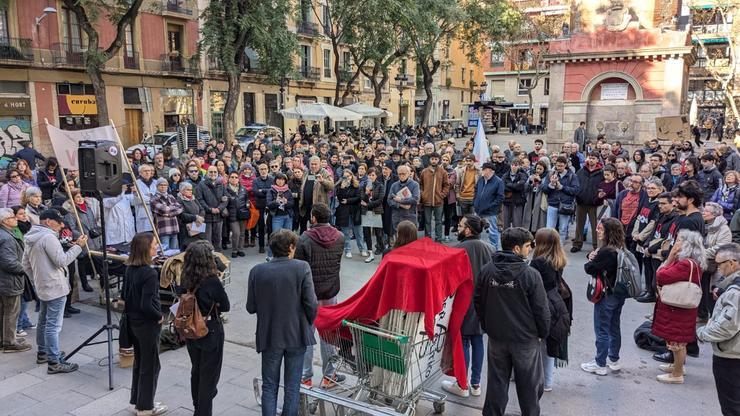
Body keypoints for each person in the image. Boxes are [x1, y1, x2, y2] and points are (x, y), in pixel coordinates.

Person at [476, 227, 550, 416]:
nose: (530, 249)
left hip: (497, 337)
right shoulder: (530, 275)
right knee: (529, 387)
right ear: (516, 249)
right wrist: (542, 333)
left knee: (496, 384)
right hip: (525, 340)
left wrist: (488, 326)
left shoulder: (487, 270)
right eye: (528, 246)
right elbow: (541, 310)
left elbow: (479, 302)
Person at [248, 229, 317, 416]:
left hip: (270, 335)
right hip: (297, 333)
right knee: (292, 386)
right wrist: (308, 323)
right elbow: (311, 303)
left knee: (269, 386)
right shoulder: (302, 268)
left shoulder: (257, 271)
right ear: (291, 247)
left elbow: (250, 307)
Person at [22, 209, 86, 373]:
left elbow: (25, 264)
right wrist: (78, 246)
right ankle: (54, 361)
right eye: (58, 222)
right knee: (53, 325)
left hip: (43, 286)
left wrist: (37, 280)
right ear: (48, 222)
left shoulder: (31, 236)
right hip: (55, 287)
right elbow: (62, 260)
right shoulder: (48, 237)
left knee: (44, 320)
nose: (61, 225)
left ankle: (44, 353)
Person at [441, 215, 495, 398]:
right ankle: (475, 384)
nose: (458, 228)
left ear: (469, 230)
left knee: (463, 341)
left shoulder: (459, 249)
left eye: (461, 225)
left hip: (463, 304)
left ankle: (461, 384)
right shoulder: (490, 248)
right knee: (478, 340)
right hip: (484, 304)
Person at [294, 203, 345, 388]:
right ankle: (329, 375)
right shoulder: (340, 237)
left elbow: (298, 268)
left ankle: (305, 377)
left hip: (309, 294)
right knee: (328, 334)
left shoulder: (305, 238)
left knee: (307, 336)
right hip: (330, 292)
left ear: (313, 218)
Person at [182, 241, 230, 416]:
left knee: (197, 369)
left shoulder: (185, 276)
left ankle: (198, 406)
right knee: (209, 376)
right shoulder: (211, 281)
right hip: (210, 330)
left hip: (191, 330)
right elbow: (225, 305)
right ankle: (203, 410)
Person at [651, 229, 705, 384]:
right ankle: (677, 366)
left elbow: (661, 275)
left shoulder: (686, 264)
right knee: (678, 341)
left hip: (678, 309)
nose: (676, 243)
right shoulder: (692, 262)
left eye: (679, 240)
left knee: (677, 342)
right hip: (681, 308)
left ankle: (677, 374)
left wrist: (669, 258)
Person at [122, 233, 167, 416]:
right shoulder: (149, 272)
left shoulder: (130, 268)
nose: (156, 247)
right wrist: (159, 316)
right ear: (145, 249)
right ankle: (146, 407)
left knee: (140, 363)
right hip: (147, 325)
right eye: (154, 245)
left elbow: (126, 296)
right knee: (151, 365)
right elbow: (147, 304)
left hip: (133, 322)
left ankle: (139, 401)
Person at [696, 243, 740, 415]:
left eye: (720, 264)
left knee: (731, 407)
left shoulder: (735, 293)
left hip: (730, 356)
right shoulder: (730, 287)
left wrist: (701, 334)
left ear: (733, 262)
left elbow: (726, 327)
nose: (718, 269)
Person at [581, 217, 627, 376]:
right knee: (614, 327)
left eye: (601, 229)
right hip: (618, 294)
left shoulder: (606, 251)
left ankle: (600, 364)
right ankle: (613, 360)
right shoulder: (621, 248)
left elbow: (590, 268)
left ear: (608, 232)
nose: (597, 230)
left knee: (602, 329)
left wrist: (591, 258)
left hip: (606, 294)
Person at [530, 228, 572, 392]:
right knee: (548, 346)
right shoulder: (558, 259)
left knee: (539, 344)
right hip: (557, 303)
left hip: (543, 304)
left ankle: (538, 379)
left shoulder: (538, 262)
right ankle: (547, 381)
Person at [0, 208, 30, 353]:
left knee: (5, 312)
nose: (16, 219)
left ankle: (4, 339)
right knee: (11, 313)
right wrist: (26, 269)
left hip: (5, 281)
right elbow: (9, 262)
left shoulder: (5, 234)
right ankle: (9, 342)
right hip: (9, 281)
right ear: (5, 221)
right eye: (13, 217)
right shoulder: (6, 238)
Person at [699, 202, 732, 321]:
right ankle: (702, 315)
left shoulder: (723, 229)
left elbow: (720, 248)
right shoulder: (704, 225)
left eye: (706, 211)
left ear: (714, 214)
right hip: (703, 264)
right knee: (702, 291)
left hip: (716, 266)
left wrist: (701, 253)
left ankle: (714, 319)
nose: (703, 212)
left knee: (712, 294)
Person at [542, 156, 580, 244]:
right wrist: (551, 184)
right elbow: (544, 190)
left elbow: (576, 190)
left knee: (563, 229)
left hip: (565, 205)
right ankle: (549, 247)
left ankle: (560, 248)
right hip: (552, 204)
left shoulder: (572, 176)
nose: (559, 168)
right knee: (549, 228)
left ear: (565, 165)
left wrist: (561, 187)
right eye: (557, 166)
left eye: (561, 166)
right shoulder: (551, 174)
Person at [572, 152, 604, 253]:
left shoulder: (601, 173)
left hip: (594, 203)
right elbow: (576, 184)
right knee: (579, 225)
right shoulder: (581, 171)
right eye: (590, 158)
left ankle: (596, 246)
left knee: (595, 226)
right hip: (581, 202)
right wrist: (577, 195)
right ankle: (577, 244)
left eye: (593, 158)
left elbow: (603, 187)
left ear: (597, 160)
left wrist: (598, 198)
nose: (591, 160)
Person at [299, 156, 334, 235]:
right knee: (303, 229)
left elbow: (331, 186)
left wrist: (323, 181)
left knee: (319, 230)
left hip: (318, 208)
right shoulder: (306, 172)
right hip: (305, 207)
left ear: (320, 164)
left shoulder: (325, 173)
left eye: (315, 164)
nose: (313, 166)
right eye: (312, 164)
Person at [419, 152, 450, 242]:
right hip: (427, 200)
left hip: (438, 200)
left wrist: (442, 195)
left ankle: (438, 239)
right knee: (427, 221)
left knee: (439, 221)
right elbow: (421, 184)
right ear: (429, 160)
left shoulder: (443, 172)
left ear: (438, 160)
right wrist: (423, 194)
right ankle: (427, 239)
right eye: (432, 159)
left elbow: (446, 185)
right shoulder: (424, 172)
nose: (434, 161)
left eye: (436, 159)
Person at [473, 162, 505, 250]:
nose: (481, 170)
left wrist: (490, 206)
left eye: (483, 169)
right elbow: (476, 190)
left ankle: (494, 250)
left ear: (490, 170)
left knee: (493, 232)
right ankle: (477, 248)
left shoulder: (498, 181)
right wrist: (475, 201)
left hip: (490, 212)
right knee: (475, 229)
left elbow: (500, 197)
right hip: (478, 210)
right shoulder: (481, 179)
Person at [196, 166, 228, 250]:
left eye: (215, 172)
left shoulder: (221, 184)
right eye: (211, 172)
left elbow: (225, 198)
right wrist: (210, 209)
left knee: (218, 238)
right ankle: (208, 258)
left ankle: (218, 257)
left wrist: (219, 209)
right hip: (207, 216)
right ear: (207, 173)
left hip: (218, 216)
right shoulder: (201, 185)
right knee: (207, 240)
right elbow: (200, 199)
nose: (213, 174)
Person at [150, 178, 183, 251]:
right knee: (165, 253)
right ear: (157, 186)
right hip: (163, 229)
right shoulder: (153, 199)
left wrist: (170, 214)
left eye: (165, 185)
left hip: (174, 228)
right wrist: (173, 208)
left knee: (175, 252)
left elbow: (180, 208)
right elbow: (165, 210)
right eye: (161, 185)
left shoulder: (171, 196)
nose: (163, 187)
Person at [361, 167, 385, 262]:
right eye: (369, 175)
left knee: (378, 233)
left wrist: (368, 204)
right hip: (366, 212)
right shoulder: (364, 186)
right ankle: (370, 253)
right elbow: (362, 198)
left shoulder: (380, 185)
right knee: (367, 233)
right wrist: (367, 194)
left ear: (376, 176)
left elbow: (380, 200)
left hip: (376, 211)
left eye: (373, 175)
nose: (371, 177)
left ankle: (383, 250)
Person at [388, 165, 421, 231]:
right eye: (399, 174)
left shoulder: (415, 185)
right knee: (399, 238)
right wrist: (400, 205)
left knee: (410, 238)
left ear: (409, 173)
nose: (401, 176)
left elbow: (415, 199)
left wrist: (401, 200)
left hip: (410, 216)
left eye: (403, 174)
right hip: (397, 216)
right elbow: (389, 200)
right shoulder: (394, 185)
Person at [225, 172, 248, 258]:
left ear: (238, 179)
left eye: (236, 177)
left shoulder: (243, 189)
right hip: (232, 214)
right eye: (232, 177)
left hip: (243, 213)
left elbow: (246, 199)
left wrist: (247, 207)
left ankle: (240, 249)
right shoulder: (225, 189)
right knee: (236, 233)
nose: (234, 179)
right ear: (229, 178)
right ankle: (234, 250)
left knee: (242, 233)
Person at [177, 182, 206, 250]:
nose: (190, 191)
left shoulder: (193, 198)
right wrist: (195, 217)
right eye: (188, 189)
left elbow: (202, 209)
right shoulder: (179, 200)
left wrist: (200, 217)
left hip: (197, 226)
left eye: (191, 189)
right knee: (188, 248)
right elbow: (181, 214)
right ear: (182, 190)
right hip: (186, 229)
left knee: (198, 246)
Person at [502, 159, 528, 230]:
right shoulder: (505, 175)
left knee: (517, 224)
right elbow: (503, 186)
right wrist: (515, 185)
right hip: (507, 202)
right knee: (505, 224)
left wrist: (510, 185)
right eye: (512, 165)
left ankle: (517, 239)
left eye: (516, 165)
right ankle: (506, 239)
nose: (513, 167)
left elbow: (521, 186)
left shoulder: (523, 175)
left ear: (519, 166)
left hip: (518, 202)